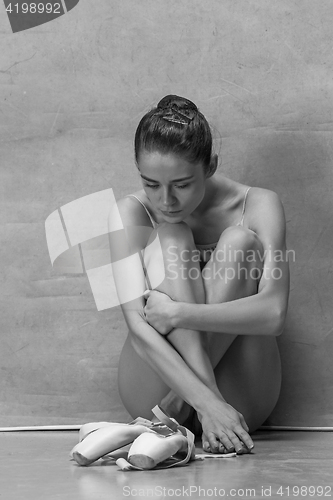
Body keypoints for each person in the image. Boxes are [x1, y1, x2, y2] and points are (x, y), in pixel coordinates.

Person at [110, 95, 290, 455]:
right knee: (171, 233)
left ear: (210, 166)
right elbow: (138, 327)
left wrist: (178, 313)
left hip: (241, 393)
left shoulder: (258, 204)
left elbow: (274, 315)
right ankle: (201, 404)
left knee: (240, 242)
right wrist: (209, 404)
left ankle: (177, 408)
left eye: (181, 184)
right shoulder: (129, 213)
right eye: (151, 184)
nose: (166, 201)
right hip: (154, 387)